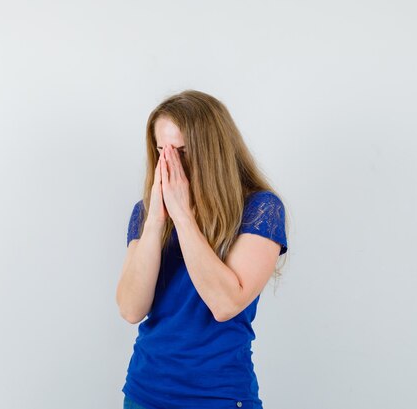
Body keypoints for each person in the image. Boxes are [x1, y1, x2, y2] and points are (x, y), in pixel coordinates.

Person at [116, 89, 289, 409]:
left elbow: (225, 303)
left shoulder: (259, 209)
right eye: (161, 151)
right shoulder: (145, 213)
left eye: (181, 151)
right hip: (144, 393)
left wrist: (182, 216)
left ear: (213, 151)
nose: (169, 163)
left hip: (219, 395)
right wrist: (155, 220)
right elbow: (130, 309)